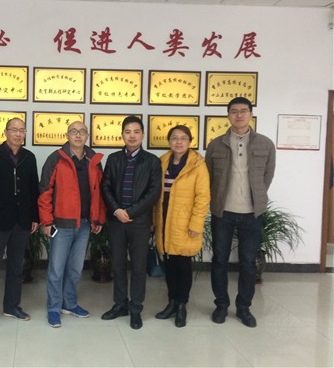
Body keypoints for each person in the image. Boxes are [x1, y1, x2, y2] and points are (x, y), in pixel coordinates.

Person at [206, 97, 276, 328]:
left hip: (252, 213)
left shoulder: (265, 144)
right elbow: (210, 177)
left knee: (248, 262)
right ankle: (221, 305)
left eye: (243, 111)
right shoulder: (215, 145)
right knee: (219, 260)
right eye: (234, 111)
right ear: (228, 115)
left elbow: (267, 176)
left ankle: (244, 307)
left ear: (250, 114)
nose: (239, 115)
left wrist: (256, 197)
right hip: (222, 212)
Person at [38, 121, 107, 328]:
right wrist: (46, 220)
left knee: (76, 269)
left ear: (87, 136)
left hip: (84, 224)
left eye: (82, 132)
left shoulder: (93, 160)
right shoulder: (56, 158)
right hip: (61, 224)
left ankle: (69, 303)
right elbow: (44, 190)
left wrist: (98, 218)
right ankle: (53, 308)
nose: (78, 135)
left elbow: (99, 192)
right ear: (67, 135)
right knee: (56, 269)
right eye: (74, 131)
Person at [0, 118, 40, 330]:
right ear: (5, 132)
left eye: (22, 130)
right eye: (14, 130)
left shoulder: (29, 157)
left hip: (22, 221)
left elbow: (33, 189)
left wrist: (35, 217)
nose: (18, 134)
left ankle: (12, 306)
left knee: (16, 268)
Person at [100, 115, 162, 330]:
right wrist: (117, 210)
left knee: (138, 266)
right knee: (117, 264)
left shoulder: (152, 161)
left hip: (139, 222)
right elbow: (105, 186)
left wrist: (131, 211)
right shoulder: (114, 159)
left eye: (136, 132)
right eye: (128, 132)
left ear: (142, 135)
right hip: (117, 220)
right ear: (122, 135)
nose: (132, 136)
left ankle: (136, 308)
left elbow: (154, 192)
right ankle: (120, 304)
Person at [153, 125, 210, 328]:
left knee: (183, 265)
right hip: (164, 220)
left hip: (184, 223)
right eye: (175, 138)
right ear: (169, 141)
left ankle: (181, 305)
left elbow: (203, 198)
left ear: (190, 141)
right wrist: (153, 222)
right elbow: (155, 194)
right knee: (169, 265)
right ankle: (171, 302)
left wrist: (196, 224)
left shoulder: (198, 165)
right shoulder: (162, 162)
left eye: (183, 138)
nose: (178, 142)